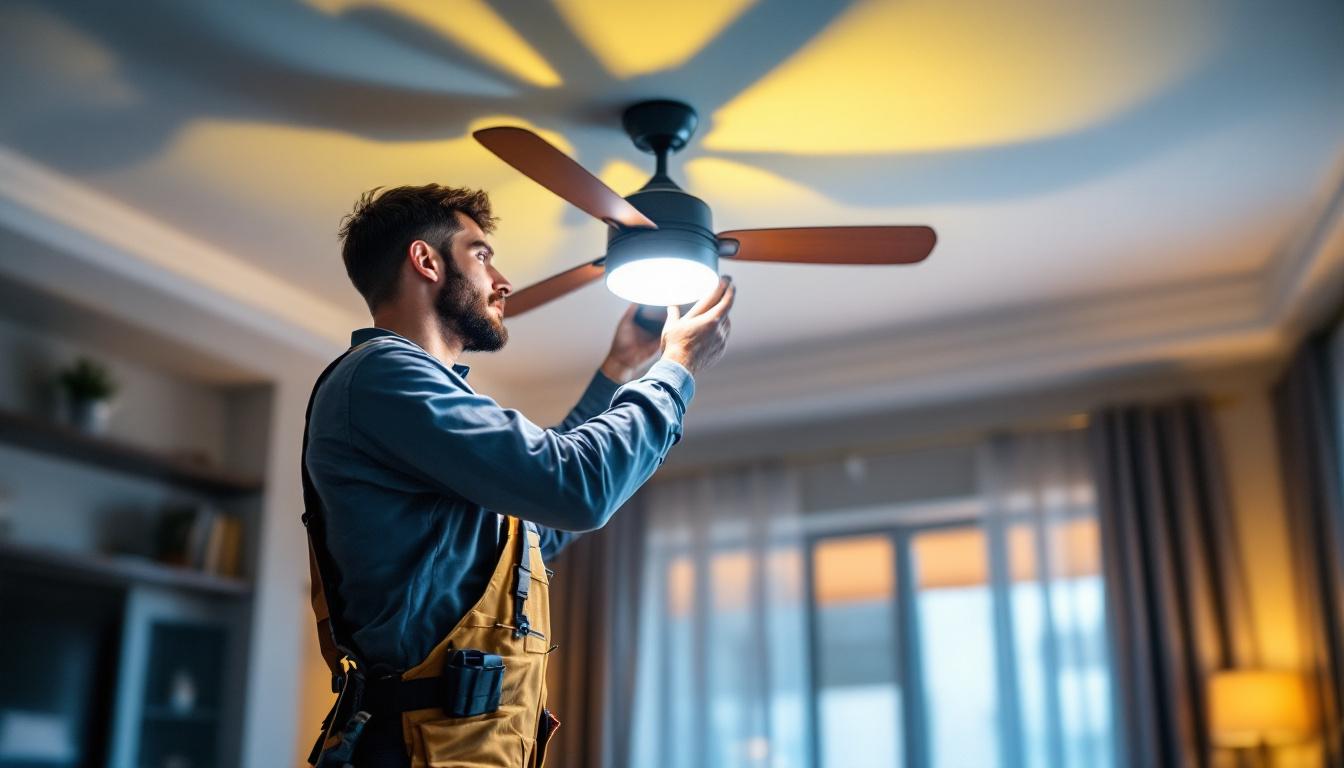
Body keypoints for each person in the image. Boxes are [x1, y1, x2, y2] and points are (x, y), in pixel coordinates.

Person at [301, 184, 734, 767]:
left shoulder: (417, 400)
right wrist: (674, 370)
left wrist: (622, 368)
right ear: (426, 261)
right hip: (410, 752)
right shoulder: (384, 374)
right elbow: (575, 488)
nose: (501, 281)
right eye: (482, 255)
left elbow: (533, 531)